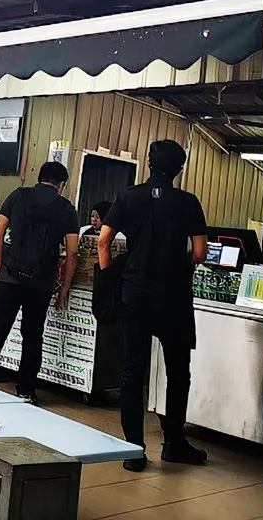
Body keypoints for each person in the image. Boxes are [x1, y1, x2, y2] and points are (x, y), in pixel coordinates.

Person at [98, 139, 209, 472]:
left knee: (132, 370)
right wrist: (180, 266)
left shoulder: (129, 196)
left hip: (134, 293)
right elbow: (200, 252)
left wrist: (112, 277)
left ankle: (134, 449)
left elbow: (104, 240)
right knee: (177, 371)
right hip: (173, 296)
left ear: (148, 163)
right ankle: (174, 443)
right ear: (179, 168)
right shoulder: (188, 202)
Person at [0, 161, 79, 405]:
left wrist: (1, 264)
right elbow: (72, 251)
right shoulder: (66, 208)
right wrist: (64, 287)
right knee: (33, 336)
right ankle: (26, 390)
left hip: (9, 277)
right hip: (41, 283)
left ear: (40, 177)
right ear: (61, 184)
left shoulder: (18, 196)